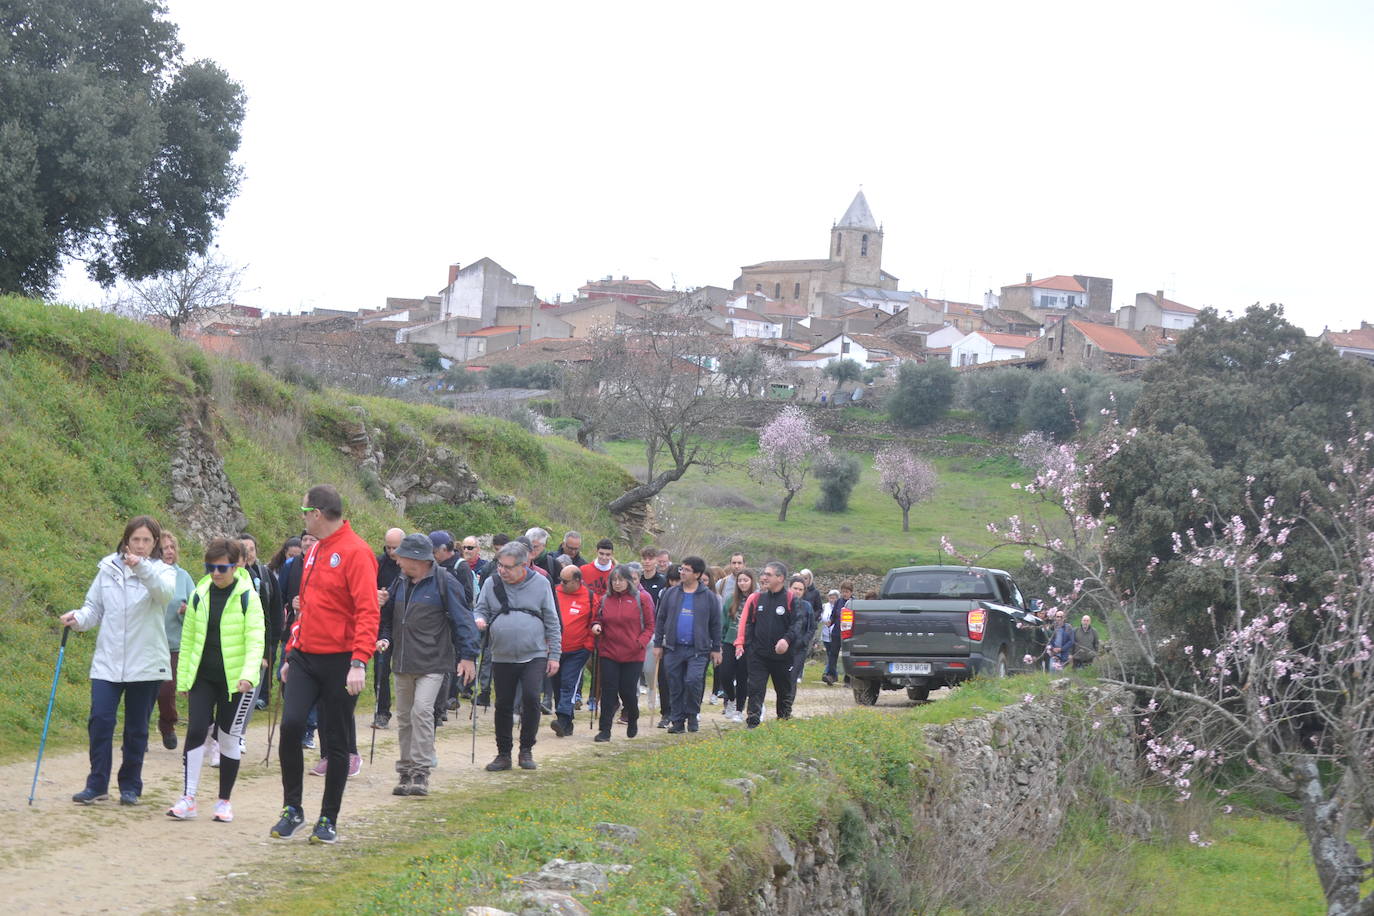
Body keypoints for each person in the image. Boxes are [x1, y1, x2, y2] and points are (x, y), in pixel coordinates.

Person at [271, 484, 379, 845]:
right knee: (291, 726)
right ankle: (293, 809)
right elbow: (307, 607)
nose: (302, 517)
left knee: (335, 741)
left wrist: (359, 662)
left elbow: (368, 611)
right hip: (305, 656)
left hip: (341, 660)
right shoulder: (314, 551)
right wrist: (291, 652)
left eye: (304, 511)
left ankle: (328, 818)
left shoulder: (357, 552)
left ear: (317, 513)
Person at [61, 515, 176, 805]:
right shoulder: (107, 569)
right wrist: (77, 618)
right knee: (100, 721)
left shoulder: (163, 572)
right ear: (126, 541)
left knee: (136, 729)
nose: (139, 545)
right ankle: (97, 784)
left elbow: (164, 596)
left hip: (146, 664)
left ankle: (130, 786)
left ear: (154, 544)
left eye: (146, 540)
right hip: (108, 662)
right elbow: (93, 608)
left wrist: (143, 570)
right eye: (135, 540)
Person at [166, 538, 265, 822]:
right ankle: (188, 797)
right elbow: (189, 640)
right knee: (196, 729)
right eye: (210, 567)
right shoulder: (199, 593)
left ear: (235, 566)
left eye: (221, 568)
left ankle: (224, 801)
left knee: (227, 739)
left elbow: (255, 641)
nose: (216, 573)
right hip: (203, 677)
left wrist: (248, 676)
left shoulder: (248, 597)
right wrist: (184, 679)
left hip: (235, 682)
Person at [376, 533, 479, 796]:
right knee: (404, 717)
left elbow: (463, 620)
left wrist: (468, 656)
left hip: (433, 662)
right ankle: (405, 771)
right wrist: (385, 638)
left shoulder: (445, 582)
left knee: (421, 712)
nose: (397, 561)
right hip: (402, 661)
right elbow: (387, 619)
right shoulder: (399, 582)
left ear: (417, 560)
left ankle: (421, 773)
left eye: (402, 557)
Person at [473, 542, 561, 772]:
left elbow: (552, 620)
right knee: (503, 703)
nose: (502, 570)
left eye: (508, 567)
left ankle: (526, 750)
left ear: (524, 565)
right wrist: (479, 620)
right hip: (501, 654)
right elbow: (480, 608)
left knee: (532, 698)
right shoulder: (492, 582)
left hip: (535, 654)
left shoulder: (541, 584)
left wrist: (555, 655)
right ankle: (503, 754)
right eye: (500, 565)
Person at [653, 556, 723, 734]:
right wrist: (658, 643)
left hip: (698, 649)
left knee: (692, 681)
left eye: (687, 570)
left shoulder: (708, 597)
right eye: (681, 569)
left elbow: (715, 624)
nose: (682, 572)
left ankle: (692, 714)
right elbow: (660, 619)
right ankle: (677, 721)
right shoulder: (671, 593)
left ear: (698, 574)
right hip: (673, 648)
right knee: (674, 685)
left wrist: (716, 648)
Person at [735, 561, 805, 729]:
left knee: (784, 692)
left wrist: (786, 640)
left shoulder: (790, 599)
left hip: (782, 657)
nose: (764, 577)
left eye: (768, 574)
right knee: (755, 689)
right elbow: (750, 624)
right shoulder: (758, 598)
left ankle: (784, 722)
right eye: (763, 574)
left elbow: (797, 624)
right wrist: (749, 647)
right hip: (758, 656)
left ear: (780, 578)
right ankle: (752, 723)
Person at [590, 565, 655, 741]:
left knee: (627, 691)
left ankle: (632, 716)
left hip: (633, 653)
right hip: (609, 651)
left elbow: (650, 625)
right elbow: (598, 618)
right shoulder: (605, 600)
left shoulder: (641, 599)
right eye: (614, 580)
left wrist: (640, 643)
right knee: (609, 691)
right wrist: (596, 625)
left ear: (628, 580)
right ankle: (605, 730)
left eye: (621, 580)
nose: (617, 583)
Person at [154, 532, 196, 750]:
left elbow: (199, 608)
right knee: (145, 690)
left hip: (175, 644)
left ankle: (168, 725)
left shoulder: (184, 577)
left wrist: (187, 610)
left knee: (167, 690)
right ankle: (138, 733)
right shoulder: (150, 575)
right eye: (163, 549)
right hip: (150, 643)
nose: (168, 552)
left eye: (171, 547)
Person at [548, 564, 596, 736]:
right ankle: (566, 723)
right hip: (555, 649)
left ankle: (561, 718)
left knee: (568, 683)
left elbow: (594, 622)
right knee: (557, 684)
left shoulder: (589, 597)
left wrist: (588, 646)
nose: (562, 584)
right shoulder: (553, 592)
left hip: (577, 650)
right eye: (560, 580)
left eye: (565, 581)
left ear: (577, 581)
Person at [239, 534, 284, 711]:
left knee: (262, 665)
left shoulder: (264, 575)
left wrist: (274, 639)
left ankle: (262, 696)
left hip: (262, 631)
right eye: (244, 549)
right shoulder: (228, 575)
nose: (248, 553)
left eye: (251, 549)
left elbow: (275, 607)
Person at [371, 527, 404, 728]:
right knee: (381, 667)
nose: (391, 552)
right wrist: (376, 594)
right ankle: (382, 712)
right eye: (388, 547)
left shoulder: (410, 565)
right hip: (382, 622)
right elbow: (367, 586)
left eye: (395, 548)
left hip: (405, 622)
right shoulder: (378, 563)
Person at [719, 568, 756, 721]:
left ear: (752, 582)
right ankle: (732, 700)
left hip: (747, 644)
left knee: (742, 677)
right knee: (725, 674)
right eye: (740, 580)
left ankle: (740, 709)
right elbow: (724, 623)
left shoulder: (756, 600)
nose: (742, 583)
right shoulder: (730, 600)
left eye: (745, 580)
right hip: (729, 641)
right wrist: (720, 641)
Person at [788, 575, 817, 685]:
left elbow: (812, 627)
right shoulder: (783, 604)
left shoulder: (807, 606)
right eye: (795, 588)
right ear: (789, 588)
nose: (797, 591)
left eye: (800, 589)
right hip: (785, 646)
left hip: (800, 647)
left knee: (793, 677)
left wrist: (805, 641)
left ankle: (788, 701)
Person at [822, 583, 852, 685]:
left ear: (851, 592)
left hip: (848, 634)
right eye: (843, 591)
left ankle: (848, 679)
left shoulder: (854, 603)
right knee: (833, 655)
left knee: (847, 655)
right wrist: (830, 622)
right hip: (836, 633)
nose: (845, 594)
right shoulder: (838, 602)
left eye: (847, 592)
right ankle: (831, 676)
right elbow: (833, 616)